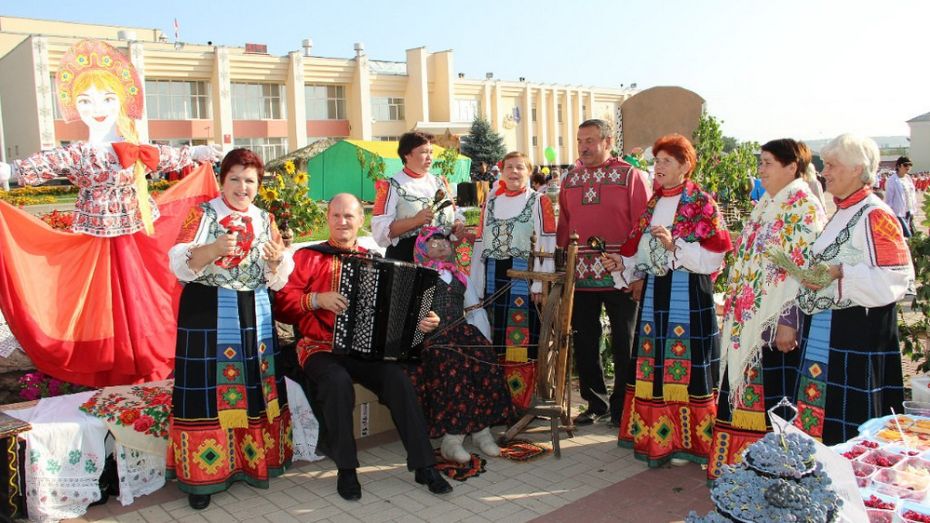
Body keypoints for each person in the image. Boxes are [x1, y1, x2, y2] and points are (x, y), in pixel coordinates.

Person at [0, 39, 219, 387]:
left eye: (107, 99)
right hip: (95, 241)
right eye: (86, 100)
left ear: (122, 101)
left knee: (147, 298)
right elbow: (45, 163)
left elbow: (168, 156)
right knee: (100, 305)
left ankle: (148, 358)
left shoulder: (135, 148)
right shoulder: (79, 153)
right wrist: (10, 170)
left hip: (138, 239)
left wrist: (202, 152)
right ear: (75, 106)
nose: (97, 108)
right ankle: (109, 362)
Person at [273, 193, 452, 501]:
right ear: (327, 219)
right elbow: (283, 305)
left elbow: (398, 312)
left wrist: (421, 323)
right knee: (337, 381)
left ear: (360, 221)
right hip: (319, 348)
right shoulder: (306, 257)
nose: (343, 222)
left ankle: (424, 465)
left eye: (350, 216)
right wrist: (316, 299)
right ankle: (346, 468)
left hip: (365, 349)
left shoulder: (374, 258)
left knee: (398, 379)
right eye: (337, 216)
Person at [165, 148, 292, 509]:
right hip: (208, 311)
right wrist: (214, 248)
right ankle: (202, 479)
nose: (242, 186)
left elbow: (276, 279)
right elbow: (179, 263)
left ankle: (254, 462)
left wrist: (276, 260)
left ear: (259, 185)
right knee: (207, 391)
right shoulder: (203, 214)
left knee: (254, 384)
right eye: (234, 178)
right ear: (222, 180)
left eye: (249, 180)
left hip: (254, 312)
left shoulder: (265, 220)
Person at [604, 134, 731, 467]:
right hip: (655, 294)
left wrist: (677, 247)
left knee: (687, 365)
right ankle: (658, 438)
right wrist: (622, 265)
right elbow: (638, 253)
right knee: (655, 363)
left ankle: (691, 442)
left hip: (689, 294)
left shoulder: (702, 203)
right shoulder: (652, 205)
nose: (657, 167)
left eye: (666, 161)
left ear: (685, 166)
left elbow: (715, 258)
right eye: (656, 160)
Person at [707, 138, 826, 480]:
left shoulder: (803, 205)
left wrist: (789, 320)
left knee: (776, 396)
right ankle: (741, 472)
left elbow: (802, 267)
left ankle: (775, 476)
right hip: (749, 320)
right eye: (760, 163)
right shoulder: (767, 204)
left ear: (792, 166)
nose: (760, 170)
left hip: (775, 323)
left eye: (768, 163)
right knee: (748, 395)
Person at [793, 134, 913, 445]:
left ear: (858, 169)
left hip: (857, 336)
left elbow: (896, 277)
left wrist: (839, 273)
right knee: (826, 417)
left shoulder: (876, 214)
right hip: (830, 333)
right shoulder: (843, 211)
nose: (825, 172)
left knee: (850, 424)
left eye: (832, 165)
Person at [557, 119, 651, 426]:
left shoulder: (630, 176)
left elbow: (642, 226)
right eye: (580, 140)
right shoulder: (570, 178)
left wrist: (638, 273)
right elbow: (564, 227)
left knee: (625, 341)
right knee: (584, 341)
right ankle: (595, 404)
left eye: (591, 140)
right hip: (581, 276)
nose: (584, 146)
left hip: (620, 274)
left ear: (608, 142)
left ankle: (623, 408)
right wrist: (561, 271)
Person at [406, 227, 515, 463]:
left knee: (485, 363)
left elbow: (474, 310)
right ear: (422, 247)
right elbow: (408, 316)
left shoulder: (459, 275)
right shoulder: (418, 276)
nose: (443, 245)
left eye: (445, 241)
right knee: (455, 367)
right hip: (433, 339)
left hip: (462, 333)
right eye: (434, 242)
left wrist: (484, 343)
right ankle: (452, 438)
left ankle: (481, 431)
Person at [470, 152, 556, 366]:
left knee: (524, 333)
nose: (514, 172)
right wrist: (477, 285)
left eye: (520, 167)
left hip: (524, 275)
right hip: (494, 274)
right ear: (502, 172)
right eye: (509, 167)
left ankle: (523, 387)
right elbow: (480, 244)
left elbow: (546, 241)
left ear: (529, 172)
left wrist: (539, 283)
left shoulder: (538, 201)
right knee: (495, 328)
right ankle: (498, 382)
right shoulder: (490, 203)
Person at [372, 131, 465, 261]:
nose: (429, 157)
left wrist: (457, 223)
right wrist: (415, 221)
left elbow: (454, 213)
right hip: (407, 262)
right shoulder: (391, 186)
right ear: (407, 154)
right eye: (423, 152)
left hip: (443, 260)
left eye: (431, 152)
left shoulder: (439, 182)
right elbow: (380, 232)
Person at [884, 156, 917, 237]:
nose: (908, 167)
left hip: (908, 210)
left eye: (910, 165)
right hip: (898, 212)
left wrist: (913, 210)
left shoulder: (908, 178)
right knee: (908, 236)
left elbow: (912, 195)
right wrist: (890, 214)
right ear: (898, 166)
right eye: (905, 165)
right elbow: (889, 199)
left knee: (908, 236)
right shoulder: (892, 180)